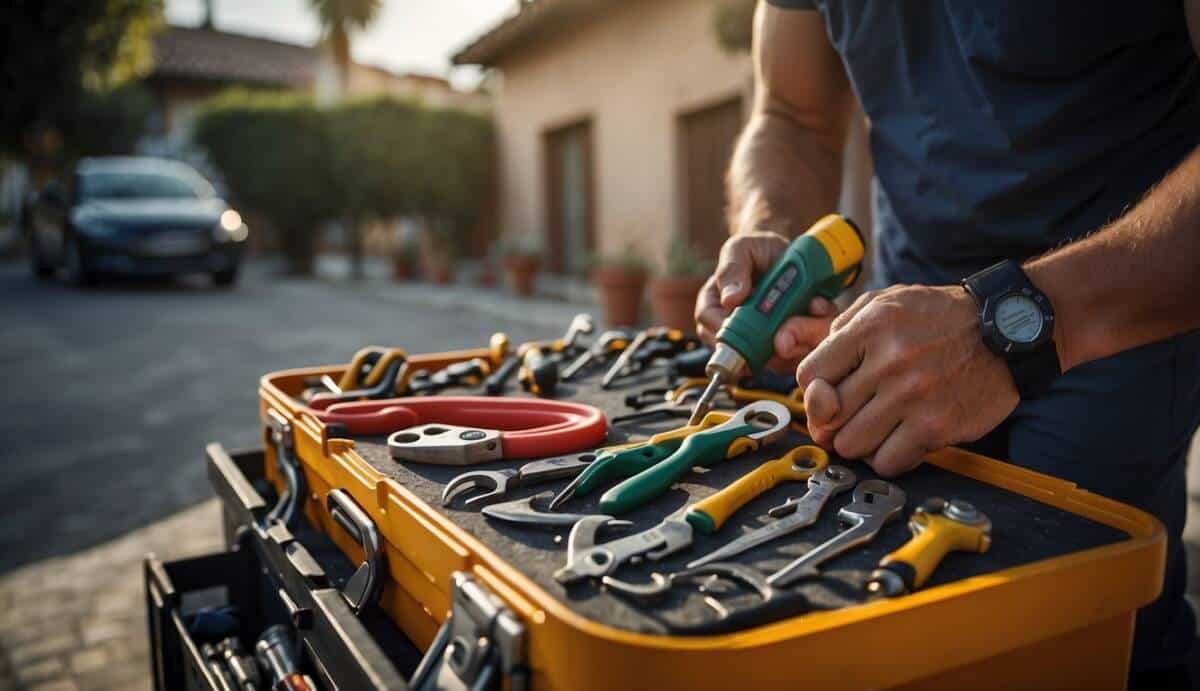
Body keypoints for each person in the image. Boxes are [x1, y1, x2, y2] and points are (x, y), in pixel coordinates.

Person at [695, 2, 1200, 687]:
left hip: (1114, 308)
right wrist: (772, 223)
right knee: (916, 629)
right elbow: (790, 115)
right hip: (907, 321)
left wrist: (1006, 325)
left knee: (1083, 638)